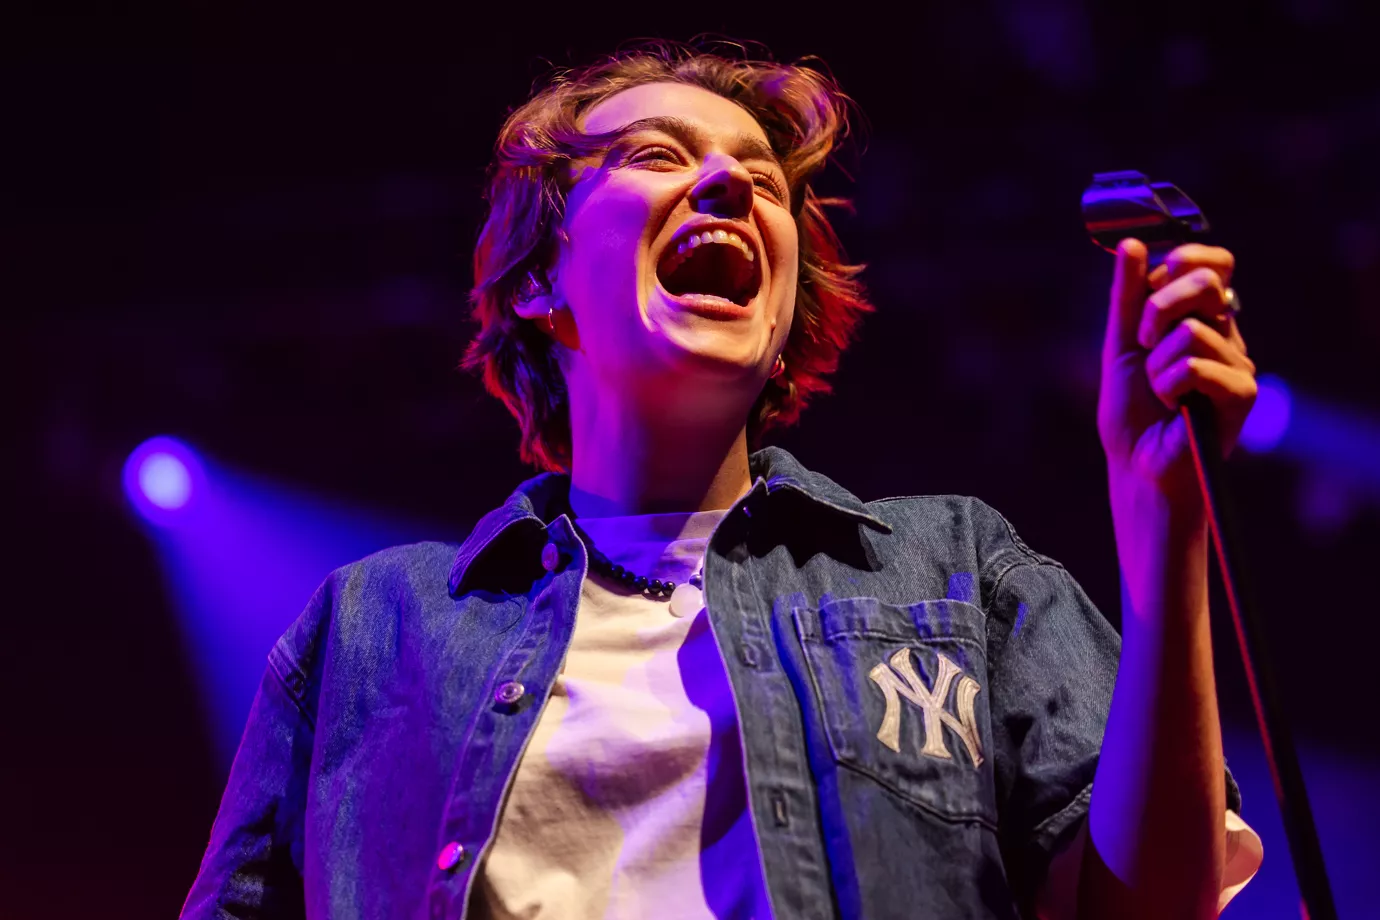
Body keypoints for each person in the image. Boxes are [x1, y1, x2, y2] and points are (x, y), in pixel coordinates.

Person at [181, 43, 1263, 920]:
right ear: (540, 278)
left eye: (763, 179)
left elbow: (1149, 907)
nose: (727, 182)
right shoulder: (374, 627)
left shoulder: (954, 570)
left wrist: (1161, 519)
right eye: (656, 154)